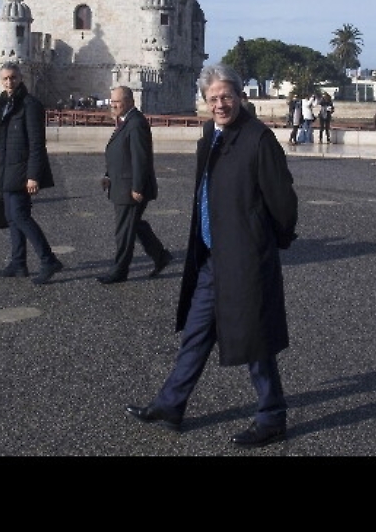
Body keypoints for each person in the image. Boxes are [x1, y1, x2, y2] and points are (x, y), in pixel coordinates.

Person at [125, 63, 298, 447]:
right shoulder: (210, 135)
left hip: (245, 258)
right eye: (213, 98)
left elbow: (283, 202)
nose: (220, 104)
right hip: (211, 258)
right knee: (196, 334)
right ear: (204, 101)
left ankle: (272, 417)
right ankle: (171, 404)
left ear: (240, 97)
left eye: (226, 97)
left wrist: (269, 242)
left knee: (255, 340)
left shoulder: (258, 139)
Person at [0, 63, 64, 284]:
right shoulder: (4, 104)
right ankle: (18, 263)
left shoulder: (30, 105)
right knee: (11, 217)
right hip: (6, 169)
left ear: (21, 78)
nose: (9, 82)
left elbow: (37, 144)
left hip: (22, 171)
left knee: (21, 216)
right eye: (5, 79)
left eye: (13, 78)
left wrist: (33, 176)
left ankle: (49, 260)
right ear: (1, 80)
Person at [97, 86, 173, 284]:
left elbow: (141, 159)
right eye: (112, 101)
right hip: (121, 184)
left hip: (130, 188)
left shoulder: (136, 123)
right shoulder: (127, 121)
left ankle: (119, 271)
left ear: (130, 101)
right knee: (135, 225)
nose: (113, 105)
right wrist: (108, 175)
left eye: (117, 101)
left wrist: (137, 187)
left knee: (124, 231)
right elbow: (120, 155)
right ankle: (160, 256)